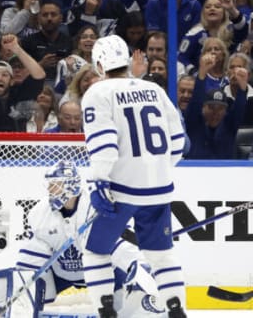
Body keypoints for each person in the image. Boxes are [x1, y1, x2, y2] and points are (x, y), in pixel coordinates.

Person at [80, 35, 187, 317]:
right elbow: (178, 143)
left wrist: (98, 182)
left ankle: (106, 312)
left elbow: (104, 146)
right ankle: (177, 310)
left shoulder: (97, 93)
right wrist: (155, 171)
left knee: (96, 251)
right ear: (127, 61)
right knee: (161, 256)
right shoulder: (155, 90)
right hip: (159, 188)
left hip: (121, 190)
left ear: (99, 65)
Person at [16, 160, 164, 317]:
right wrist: (21, 286)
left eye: (56, 184)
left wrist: (139, 268)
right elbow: (31, 258)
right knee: (29, 280)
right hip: (61, 273)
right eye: (50, 184)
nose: (50, 189)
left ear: (70, 185)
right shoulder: (40, 213)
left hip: (103, 272)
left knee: (122, 309)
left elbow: (120, 247)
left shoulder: (95, 207)